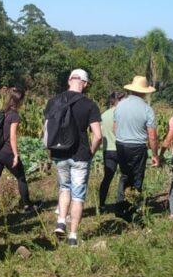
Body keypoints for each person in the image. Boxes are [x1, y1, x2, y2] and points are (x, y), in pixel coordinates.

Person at [45, 69, 102, 247]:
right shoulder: (90, 105)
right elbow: (98, 135)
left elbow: (47, 128)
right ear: (84, 84)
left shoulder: (53, 101)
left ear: (69, 80)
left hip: (59, 153)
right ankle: (73, 236)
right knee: (78, 196)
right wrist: (91, 152)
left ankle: (61, 221)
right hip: (80, 155)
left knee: (64, 187)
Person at [0, 87, 40, 215]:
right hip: (7, 152)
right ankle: (27, 205)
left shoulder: (1, 113)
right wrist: (16, 155)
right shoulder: (14, 116)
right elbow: (12, 137)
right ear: (20, 101)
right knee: (21, 177)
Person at [113, 76, 159, 218]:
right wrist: (155, 155)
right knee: (137, 177)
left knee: (125, 175)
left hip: (121, 144)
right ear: (145, 92)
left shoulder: (120, 105)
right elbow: (152, 135)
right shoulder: (147, 109)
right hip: (137, 146)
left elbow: (115, 128)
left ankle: (120, 205)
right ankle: (133, 207)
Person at [98, 91, 126, 212]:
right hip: (121, 149)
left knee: (107, 178)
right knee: (124, 177)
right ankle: (121, 203)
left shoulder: (104, 115)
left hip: (108, 150)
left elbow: (100, 132)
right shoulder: (123, 114)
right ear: (119, 100)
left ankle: (102, 205)